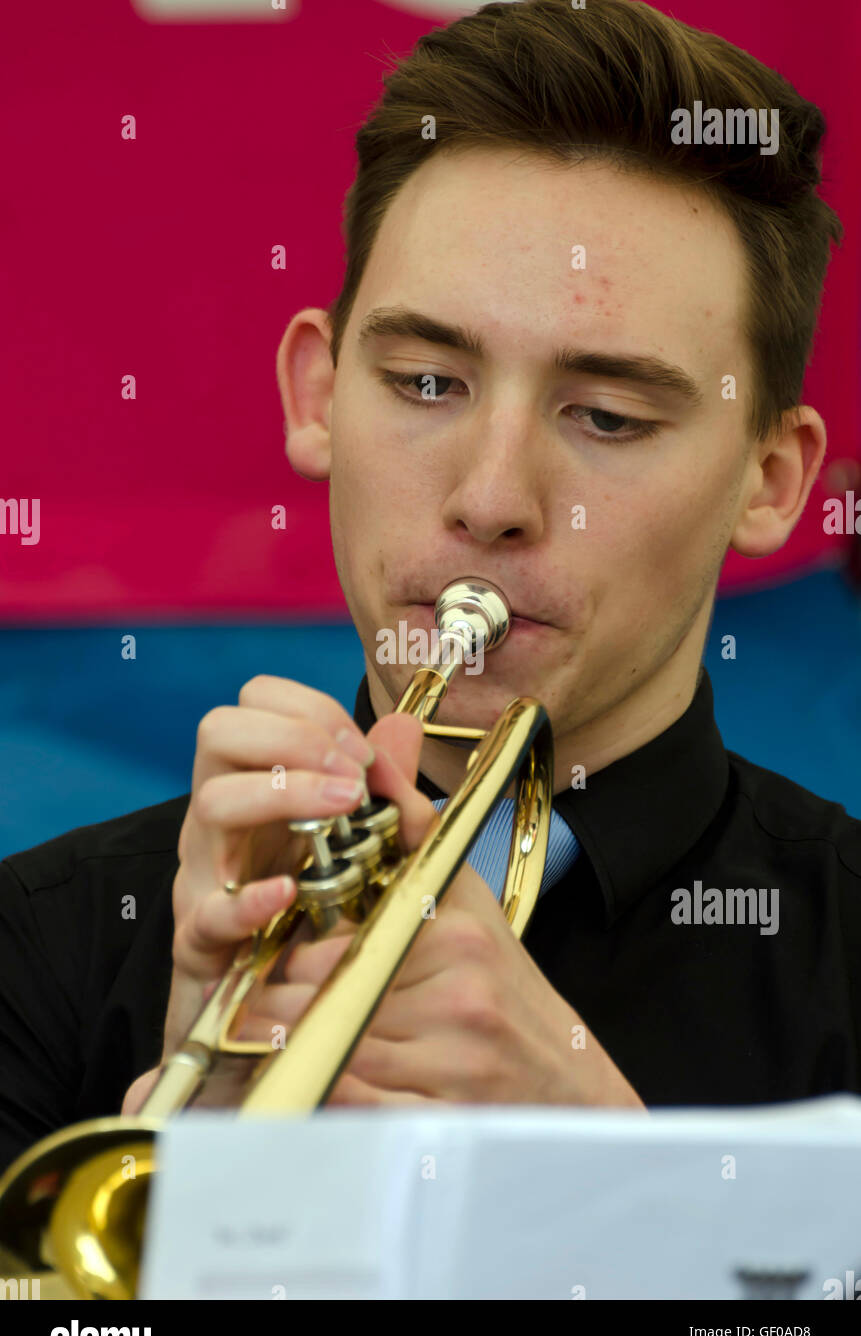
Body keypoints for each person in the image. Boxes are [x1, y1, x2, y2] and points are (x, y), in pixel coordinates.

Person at [1, 0, 858, 1177]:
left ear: (769, 482)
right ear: (317, 396)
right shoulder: (37, 938)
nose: (491, 497)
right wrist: (206, 1189)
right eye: (425, 383)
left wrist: (625, 1191)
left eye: (607, 415)